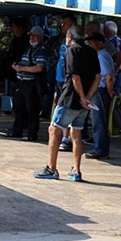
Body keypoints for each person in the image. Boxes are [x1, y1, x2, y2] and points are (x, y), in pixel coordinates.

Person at [33, 25, 100, 182]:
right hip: (85, 103)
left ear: (70, 37)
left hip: (70, 98)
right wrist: (88, 98)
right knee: (76, 134)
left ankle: (51, 168)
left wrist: (82, 96)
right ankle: (76, 170)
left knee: (54, 130)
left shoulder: (71, 51)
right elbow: (98, 77)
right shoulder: (92, 51)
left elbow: (74, 77)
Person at [5, 26, 46, 142]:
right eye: (31, 35)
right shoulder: (28, 48)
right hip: (21, 82)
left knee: (32, 109)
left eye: (35, 35)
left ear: (41, 37)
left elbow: (39, 67)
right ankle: (17, 131)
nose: (32, 37)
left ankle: (32, 133)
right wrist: (16, 67)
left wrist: (22, 68)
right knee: (19, 108)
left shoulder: (41, 50)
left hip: (31, 84)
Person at [84, 32, 114, 159]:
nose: (89, 44)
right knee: (98, 120)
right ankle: (100, 147)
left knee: (99, 120)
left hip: (101, 90)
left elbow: (108, 76)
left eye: (92, 42)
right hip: (99, 90)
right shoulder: (99, 55)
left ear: (100, 43)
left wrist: (109, 91)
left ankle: (100, 149)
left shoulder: (102, 56)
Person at [50, 14, 77, 152]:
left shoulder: (74, 46)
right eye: (62, 23)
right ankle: (61, 134)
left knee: (67, 108)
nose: (62, 25)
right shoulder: (62, 42)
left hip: (68, 81)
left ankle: (67, 138)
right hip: (59, 79)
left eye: (66, 23)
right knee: (59, 105)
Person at [103, 20, 121, 95]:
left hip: (116, 72)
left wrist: (114, 72)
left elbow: (118, 58)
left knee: (114, 93)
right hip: (112, 72)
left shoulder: (116, 41)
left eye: (105, 29)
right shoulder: (107, 41)